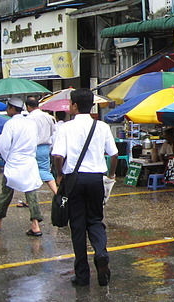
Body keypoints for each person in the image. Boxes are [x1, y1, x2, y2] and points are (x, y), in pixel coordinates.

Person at [52, 89, 118, 287]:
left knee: (78, 226)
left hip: (74, 180)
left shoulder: (65, 128)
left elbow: (57, 156)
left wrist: (59, 174)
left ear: (74, 105)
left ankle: (82, 275)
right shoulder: (102, 127)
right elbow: (113, 155)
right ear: (92, 105)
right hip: (96, 179)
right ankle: (100, 253)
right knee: (96, 220)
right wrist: (111, 174)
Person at [0, 97, 43, 237]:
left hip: (14, 162)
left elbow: (3, 146)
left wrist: (8, 158)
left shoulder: (10, 124)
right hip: (29, 161)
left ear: (11, 108)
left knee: (6, 193)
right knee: (31, 192)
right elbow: (35, 141)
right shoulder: (31, 123)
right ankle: (35, 225)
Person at [25, 96, 58, 194]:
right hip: (45, 147)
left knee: (31, 173)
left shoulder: (29, 118)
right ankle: (56, 192)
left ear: (28, 107)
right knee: (45, 171)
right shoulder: (48, 116)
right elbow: (53, 131)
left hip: (33, 148)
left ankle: (30, 198)